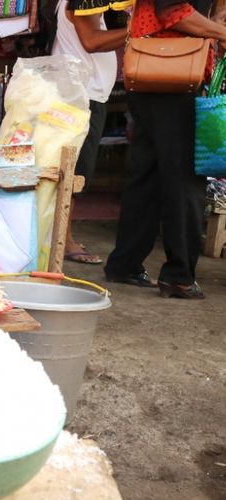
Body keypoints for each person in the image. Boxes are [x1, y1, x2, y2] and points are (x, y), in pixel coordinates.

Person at [104, 0, 226, 298]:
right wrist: (220, 31)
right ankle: (178, 276)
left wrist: (217, 20)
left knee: (147, 175)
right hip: (174, 77)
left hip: (155, 76)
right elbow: (172, 12)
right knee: (183, 178)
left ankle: (125, 264)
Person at [52, 0, 127, 265]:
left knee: (73, 171)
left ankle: (62, 236)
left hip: (82, 91)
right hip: (81, 94)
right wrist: (139, 30)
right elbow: (92, 41)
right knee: (74, 172)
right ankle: (63, 241)